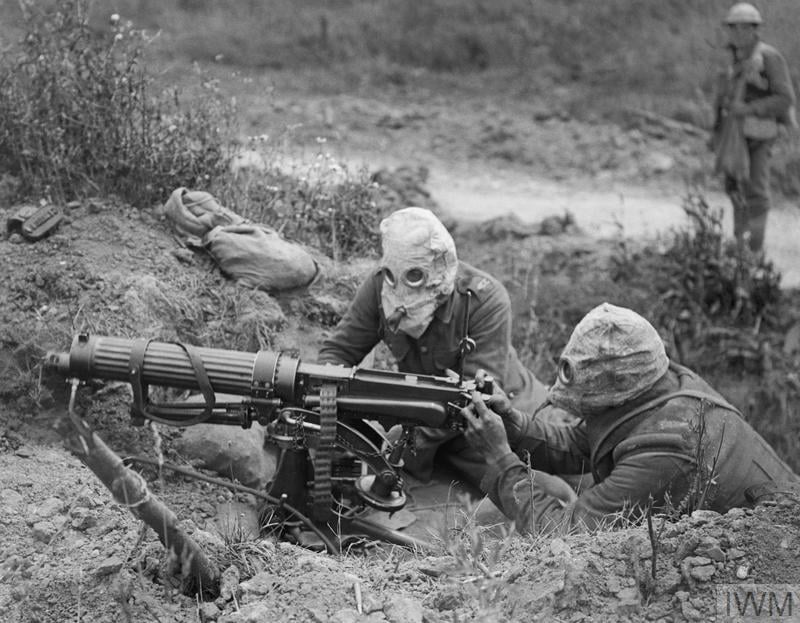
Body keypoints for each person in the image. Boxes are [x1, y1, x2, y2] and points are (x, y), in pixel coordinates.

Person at [461, 302, 799, 533]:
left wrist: (500, 458)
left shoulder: (668, 447)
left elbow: (563, 535)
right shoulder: (661, 384)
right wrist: (515, 427)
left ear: (616, 392)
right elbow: (587, 442)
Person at [318, 206, 550, 489]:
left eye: (415, 276)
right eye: (394, 275)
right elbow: (338, 352)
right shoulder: (380, 286)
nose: (401, 289)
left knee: (534, 490)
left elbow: (477, 400)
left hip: (496, 422)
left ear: (442, 269)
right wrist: (333, 416)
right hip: (429, 423)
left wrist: (396, 442)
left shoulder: (484, 301)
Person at [710, 2, 796, 253]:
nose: (738, 34)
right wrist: (714, 129)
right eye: (733, 28)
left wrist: (749, 110)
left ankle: (754, 250)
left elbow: (785, 98)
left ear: (755, 30)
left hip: (759, 132)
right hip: (732, 134)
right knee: (734, 187)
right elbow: (720, 96)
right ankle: (740, 246)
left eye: (744, 28)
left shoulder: (768, 57)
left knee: (756, 191)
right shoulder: (730, 58)